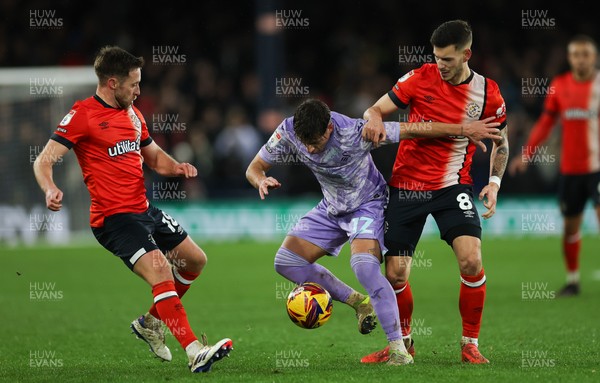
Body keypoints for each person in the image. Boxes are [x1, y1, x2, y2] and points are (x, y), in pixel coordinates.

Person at [246, 98, 500, 365]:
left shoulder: (356, 132)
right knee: (286, 262)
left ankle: (398, 349)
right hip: (331, 208)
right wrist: (261, 180)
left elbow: (413, 129)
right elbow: (254, 167)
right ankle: (358, 302)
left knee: (364, 267)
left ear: (330, 128)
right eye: (304, 141)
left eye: (316, 142)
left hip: (367, 205)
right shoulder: (288, 130)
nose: (309, 148)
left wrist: (463, 130)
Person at [32, 46, 232, 373]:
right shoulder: (82, 115)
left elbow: (154, 158)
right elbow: (44, 160)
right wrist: (50, 188)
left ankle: (150, 322)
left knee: (195, 260)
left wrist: (177, 167)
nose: (138, 91)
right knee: (162, 271)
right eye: (134, 85)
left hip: (143, 209)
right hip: (113, 220)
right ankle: (195, 350)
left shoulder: (133, 115)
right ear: (113, 83)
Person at [360, 20, 509, 364]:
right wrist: (373, 119)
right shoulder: (418, 78)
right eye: (437, 58)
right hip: (407, 185)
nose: (440, 65)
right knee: (395, 273)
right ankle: (404, 343)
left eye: (448, 59)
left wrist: (494, 182)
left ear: (466, 54)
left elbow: (502, 141)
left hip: (452, 186)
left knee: (471, 260)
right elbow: (376, 108)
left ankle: (470, 344)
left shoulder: (488, 93)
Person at [509, 34, 600, 297]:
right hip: (570, 170)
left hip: (597, 168)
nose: (581, 59)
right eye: (576, 54)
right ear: (570, 58)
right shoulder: (560, 86)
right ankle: (572, 281)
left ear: (593, 58)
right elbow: (545, 125)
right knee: (571, 227)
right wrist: (525, 154)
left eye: (586, 54)